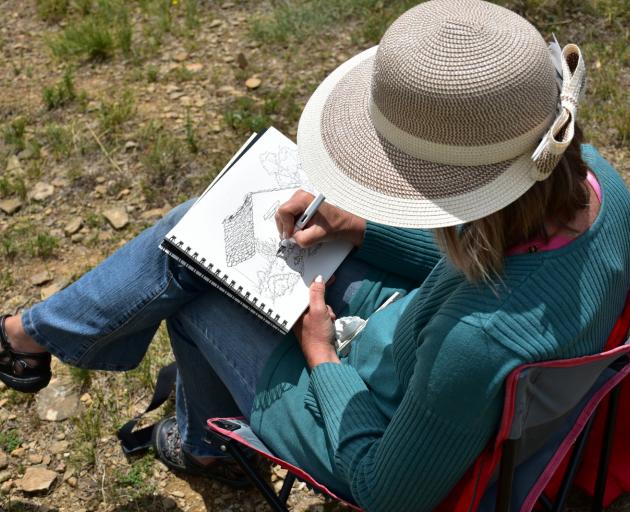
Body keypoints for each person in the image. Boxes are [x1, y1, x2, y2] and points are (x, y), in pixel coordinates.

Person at [1, 0, 629, 510]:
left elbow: (387, 491)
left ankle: (202, 448)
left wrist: (322, 357)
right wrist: (357, 225)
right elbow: (491, 264)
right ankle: (28, 334)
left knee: (189, 264)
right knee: (198, 225)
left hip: (373, 406)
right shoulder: (602, 185)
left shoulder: (478, 343)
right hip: (413, 332)